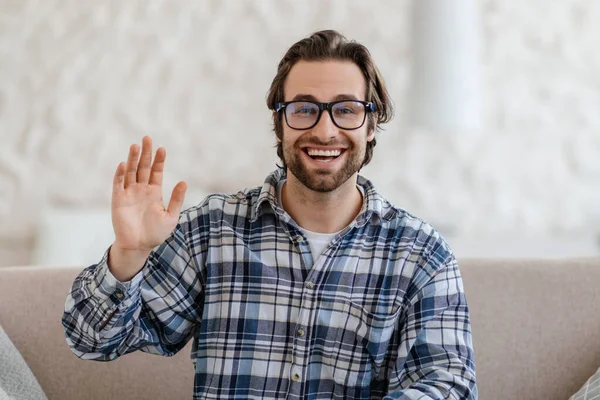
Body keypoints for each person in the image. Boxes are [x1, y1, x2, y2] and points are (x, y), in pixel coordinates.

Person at [62, 30, 477, 399]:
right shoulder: (211, 231)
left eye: (346, 109)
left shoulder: (421, 254)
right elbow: (91, 340)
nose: (325, 130)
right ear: (279, 124)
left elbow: (448, 385)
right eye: (304, 108)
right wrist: (128, 254)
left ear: (371, 125)